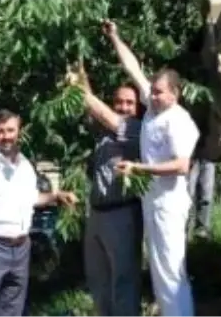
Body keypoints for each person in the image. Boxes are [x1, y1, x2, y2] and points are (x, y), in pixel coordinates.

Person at [103, 21, 199, 317]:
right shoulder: (156, 108)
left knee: (170, 271)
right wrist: (115, 37)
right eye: (152, 92)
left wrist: (139, 169)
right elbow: (133, 68)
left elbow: (182, 164)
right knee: (159, 270)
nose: (152, 97)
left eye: (158, 93)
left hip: (168, 203)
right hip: (153, 200)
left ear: (175, 94)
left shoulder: (178, 121)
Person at [0, 109, 77, 317]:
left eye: (11, 130)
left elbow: (32, 199)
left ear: (19, 131)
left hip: (21, 247)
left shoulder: (24, 166)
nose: (6, 136)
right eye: (1, 131)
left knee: (13, 308)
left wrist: (56, 195)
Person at [66, 58, 144, 317]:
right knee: (99, 279)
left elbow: (101, 113)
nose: (123, 107)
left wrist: (76, 86)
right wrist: (81, 74)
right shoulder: (105, 132)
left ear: (138, 108)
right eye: (119, 102)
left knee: (123, 280)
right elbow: (93, 110)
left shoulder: (136, 129)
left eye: (129, 103)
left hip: (122, 213)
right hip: (97, 213)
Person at [187, 158, 215, 238]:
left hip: (209, 156)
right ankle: (186, 232)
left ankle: (202, 232)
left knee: (207, 196)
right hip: (190, 155)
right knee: (189, 195)